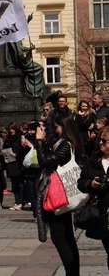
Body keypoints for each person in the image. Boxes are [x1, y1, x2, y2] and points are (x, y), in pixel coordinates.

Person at [28, 115, 85, 275]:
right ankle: (73, 272)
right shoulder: (64, 143)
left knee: (59, 237)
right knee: (66, 236)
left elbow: (45, 161)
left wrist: (39, 141)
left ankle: (72, 272)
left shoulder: (66, 145)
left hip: (58, 195)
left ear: (64, 127)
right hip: (61, 195)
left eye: (56, 127)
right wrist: (44, 142)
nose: (54, 130)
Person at [78, 125, 109, 271]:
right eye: (99, 140)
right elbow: (81, 183)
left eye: (104, 140)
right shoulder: (93, 161)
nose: (101, 143)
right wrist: (92, 184)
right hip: (104, 214)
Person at [3, 123, 25, 210]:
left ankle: (21, 202)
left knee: (20, 184)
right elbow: (4, 148)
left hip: (18, 163)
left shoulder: (20, 138)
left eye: (13, 129)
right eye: (10, 129)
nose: (11, 131)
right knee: (14, 184)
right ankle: (16, 201)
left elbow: (23, 150)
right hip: (10, 163)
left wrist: (16, 155)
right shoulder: (8, 139)